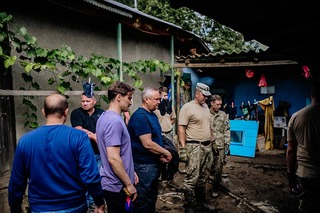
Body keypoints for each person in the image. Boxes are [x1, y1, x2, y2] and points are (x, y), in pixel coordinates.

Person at [8, 93, 105, 213]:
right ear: (66, 111)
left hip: (40, 207)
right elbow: (90, 176)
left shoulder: (25, 141)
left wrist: (15, 207)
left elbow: (17, 181)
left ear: (43, 112)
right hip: (74, 206)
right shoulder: (78, 138)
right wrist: (99, 202)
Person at [127, 86, 172, 213]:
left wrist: (159, 155)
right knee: (143, 200)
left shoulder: (151, 115)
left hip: (152, 164)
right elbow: (147, 144)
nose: (159, 102)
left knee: (151, 198)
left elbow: (155, 139)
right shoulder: (140, 117)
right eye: (156, 99)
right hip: (143, 167)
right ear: (146, 100)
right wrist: (165, 152)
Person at [96, 81, 138, 213]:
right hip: (117, 186)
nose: (130, 102)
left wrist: (130, 171)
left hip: (115, 182)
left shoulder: (104, 117)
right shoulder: (113, 121)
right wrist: (129, 184)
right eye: (129, 98)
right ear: (119, 97)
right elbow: (113, 158)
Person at [178, 82, 215, 212]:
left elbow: (208, 125)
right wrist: (183, 149)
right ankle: (189, 205)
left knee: (203, 176)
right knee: (191, 177)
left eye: (207, 96)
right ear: (197, 93)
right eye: (204, 95)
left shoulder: (205, 107)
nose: (206, 98)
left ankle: (201, 202)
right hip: (194, 146)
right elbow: (181, 128)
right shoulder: (187, 107)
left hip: (206, 146)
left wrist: (211, 138)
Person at [286, 79, 320, 213]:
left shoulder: (296, 117)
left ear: (310, 96)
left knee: (308, 205)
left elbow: (291, 150)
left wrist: (290, 175)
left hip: (306, 173)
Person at [70, 92, 104, 211]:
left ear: (94, 101)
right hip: (83, 154)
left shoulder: (101, 113)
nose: (84, 103)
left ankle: (94, 204)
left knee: (97, 179)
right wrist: (94, 136)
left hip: (99, 153)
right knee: (84, 180)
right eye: (83, 101)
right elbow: (78, 130)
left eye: (87, 101)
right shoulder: (76, 113)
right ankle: (85, 205)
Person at [154, 86, 179, 190]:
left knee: (172, 157)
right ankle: (160, 181)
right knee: (160, 158)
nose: (165, 97)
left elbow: (173, 118)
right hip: (159, 135)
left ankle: (169, 179)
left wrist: (168, 124)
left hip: (169, 134)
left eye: (166, 95)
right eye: (163, 95)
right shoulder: (155, 108)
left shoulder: (170, 106)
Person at [208, 94, 231, 198]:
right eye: (217, 104)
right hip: (207, 146)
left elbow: (227, 130)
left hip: (220, 146)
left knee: (218, 168)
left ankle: (215, 187)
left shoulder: (223, 115)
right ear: (212, 103)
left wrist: (227, 144)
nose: (219, 106)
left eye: (220, 104)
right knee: (206, 167)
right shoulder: (205, 114)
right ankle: (201, 188)